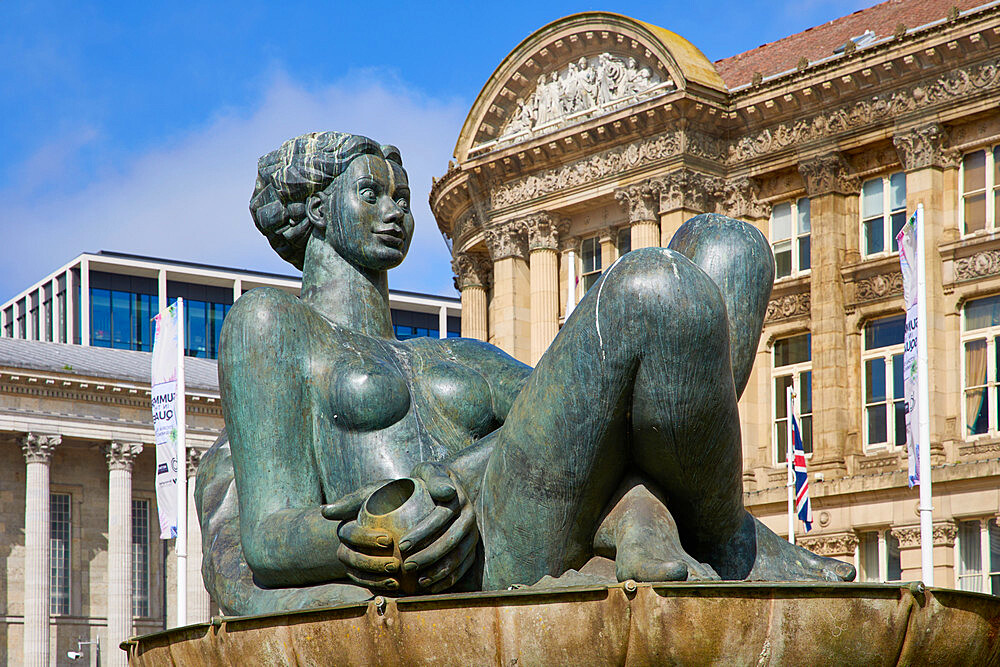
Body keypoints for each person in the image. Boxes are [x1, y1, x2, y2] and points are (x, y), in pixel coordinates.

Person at [195, 131, 854, 616]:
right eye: (371, 193)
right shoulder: (272, 325)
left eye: (402, 198)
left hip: (513, 504)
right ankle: (698, 531)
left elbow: (588, 422)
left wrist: (453, 476)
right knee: (654, 286)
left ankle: (668, 517)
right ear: (315, 211)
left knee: (731, 247)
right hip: (468, 557)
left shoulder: (454, 356)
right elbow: (269, 535)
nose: (397, 210)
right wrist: (371, 537)